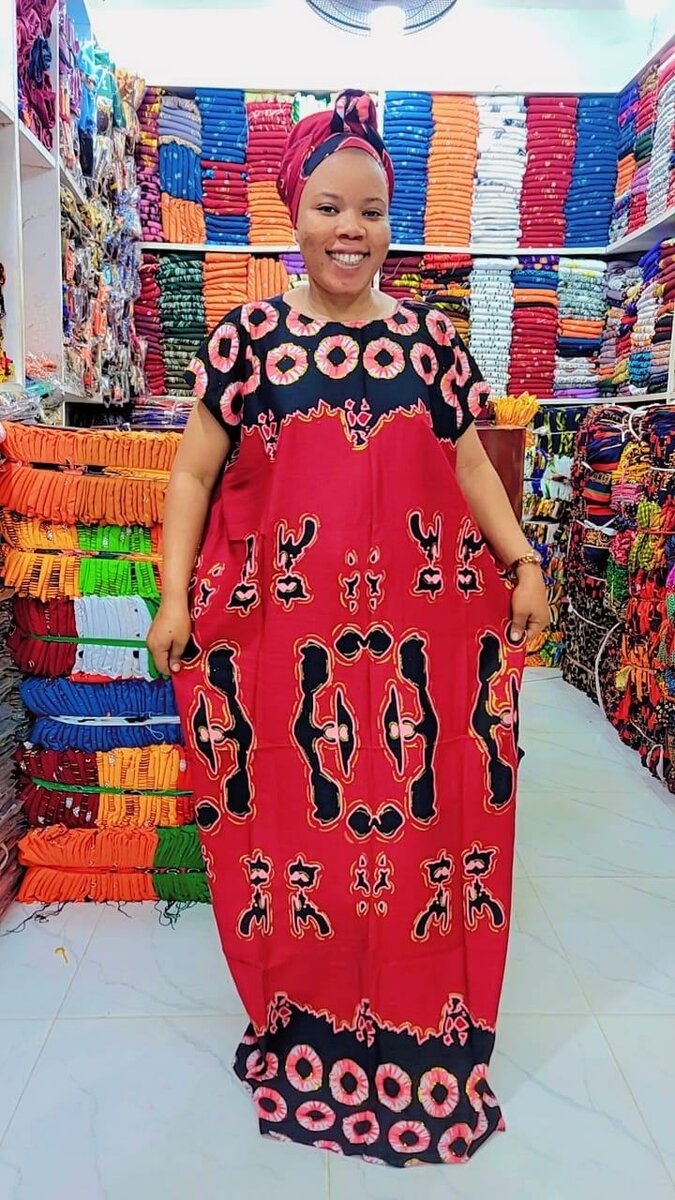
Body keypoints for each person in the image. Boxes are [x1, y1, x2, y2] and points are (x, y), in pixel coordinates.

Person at [147, 89, 549, 1168]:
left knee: (421, 845)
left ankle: (424, 1034)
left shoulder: (432, 342)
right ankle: (304, 1030)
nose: (350, 230)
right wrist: (176, 596)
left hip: (417, 664)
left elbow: (468, 464)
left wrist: (521, 560)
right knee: (295, 842)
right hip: (287, 663)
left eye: (370, 211)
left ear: (389, 222)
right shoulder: (247, 342)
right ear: (295, 213)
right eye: (329, 207)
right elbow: (191, 474)